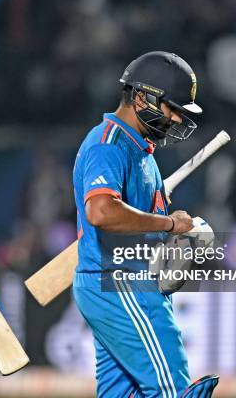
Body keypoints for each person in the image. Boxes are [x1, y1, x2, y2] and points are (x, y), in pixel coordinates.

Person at [72, 51, 219, 397]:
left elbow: (136, 228)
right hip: (120, 284)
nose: (175, 119)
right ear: (142, 96)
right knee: (172, 390)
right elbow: (101, 212)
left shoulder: (141, 150)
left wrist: (181, 237)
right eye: (171, 108)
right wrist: (170, 225)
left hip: (120, 283)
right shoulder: (108, 145)